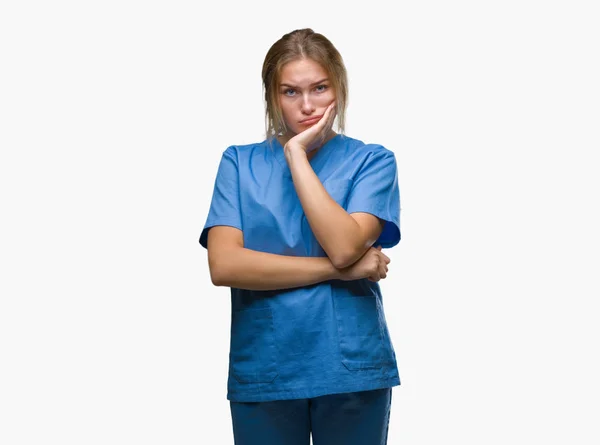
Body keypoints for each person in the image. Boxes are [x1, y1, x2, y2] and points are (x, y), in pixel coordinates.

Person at [199, 28, 401, 445]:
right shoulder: (238, 163)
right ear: (273, 98)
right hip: (266, 368)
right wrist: (340, 271)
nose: (307, 106)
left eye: (319, 88)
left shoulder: (372, 161)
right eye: (291, 92)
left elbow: (346, 245)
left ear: (339, 89)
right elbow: (225, 266)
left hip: (349, 369)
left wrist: (296, 156)